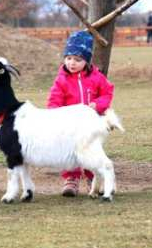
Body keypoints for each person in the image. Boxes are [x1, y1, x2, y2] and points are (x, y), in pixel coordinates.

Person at [47, 30, 115, 197]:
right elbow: (54, 100)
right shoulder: (61, 79)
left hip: (90, 124)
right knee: (70, 152)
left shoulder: (96, 77)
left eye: (78, 60)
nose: (72, 63)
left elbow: (107, 93)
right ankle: (71, 178)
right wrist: (54, 116)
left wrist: (97, 105)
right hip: (70, 125)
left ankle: (94, 178)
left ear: (86, 60)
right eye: (69, 58)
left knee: (91, 150)